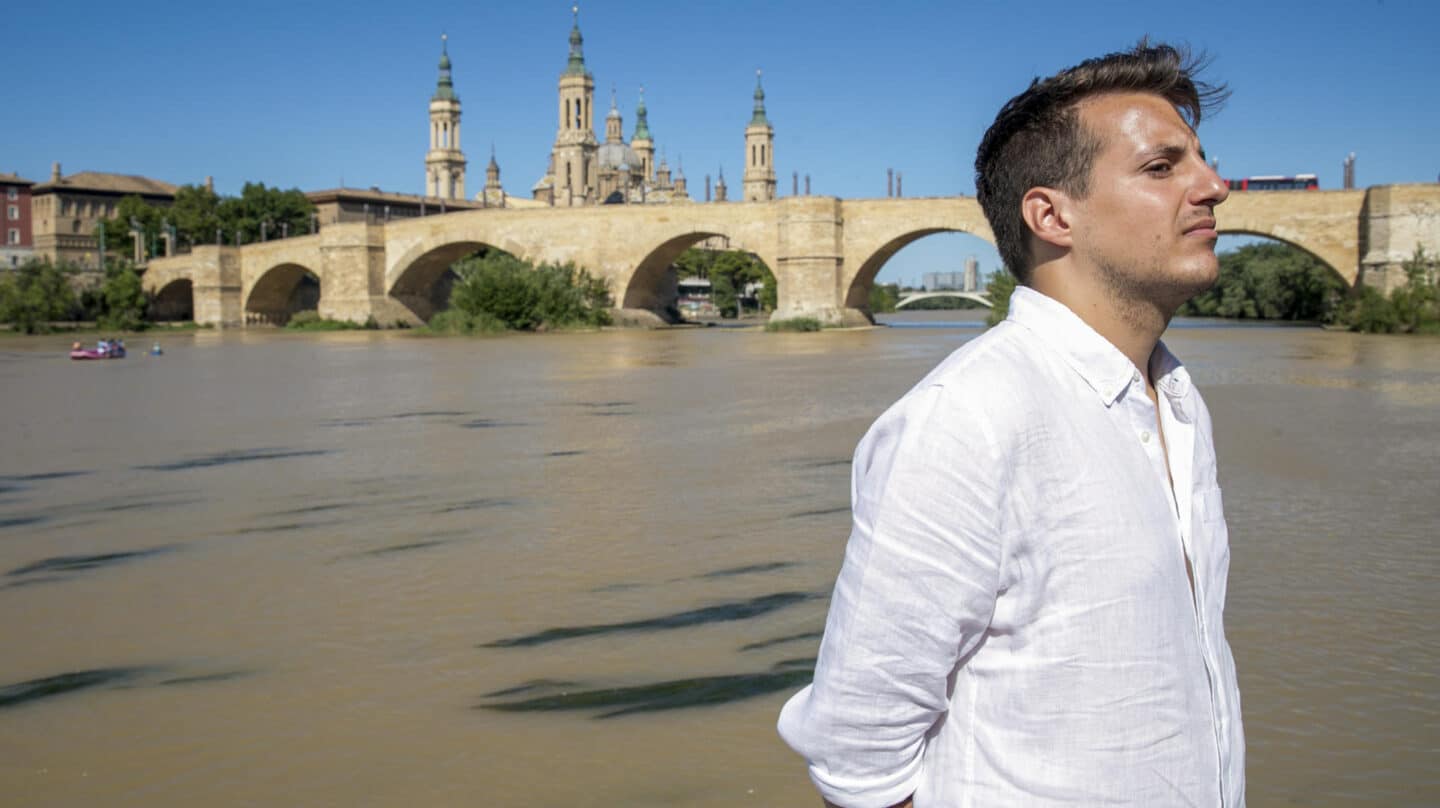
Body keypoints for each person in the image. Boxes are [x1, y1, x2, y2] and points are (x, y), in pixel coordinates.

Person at [777, 42, 1244, 807]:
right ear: (1051, 214)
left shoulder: (1179, 401)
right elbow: (856, 759)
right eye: (1162, 167)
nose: (1216, 187)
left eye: (1201, 161)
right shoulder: (968, 421)